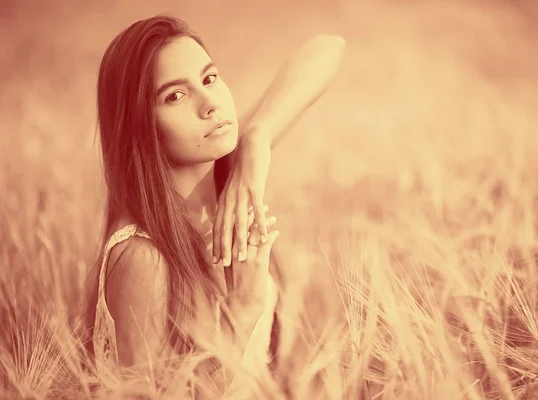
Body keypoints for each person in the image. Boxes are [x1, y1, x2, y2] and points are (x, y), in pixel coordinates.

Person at [79, 13, 345, 396]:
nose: (210, 105)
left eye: (209, 78)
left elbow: (328, 47)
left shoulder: (225, 165)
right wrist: (245, 309)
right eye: (175, 96)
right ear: (141, 125)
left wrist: (258, 137)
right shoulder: (141, 257)